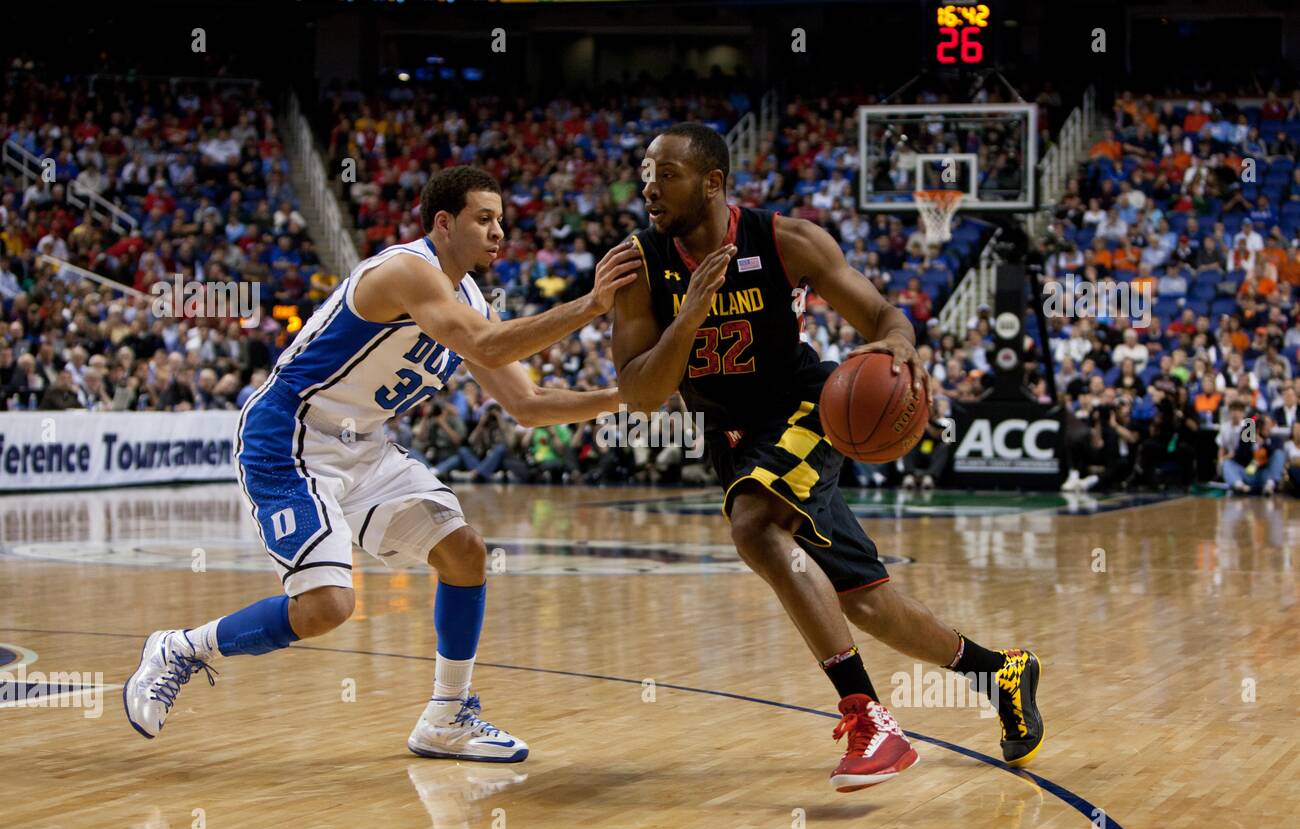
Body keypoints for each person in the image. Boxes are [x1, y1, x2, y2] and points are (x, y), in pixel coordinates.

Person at [123, 166, 643, 762]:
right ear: (444, 223)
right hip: (289, 436)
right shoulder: (403, 271)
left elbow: (527, 405)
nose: (500, 232)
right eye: (485, 219)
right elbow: (486, 346)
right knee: (327, 608)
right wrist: (592, 304)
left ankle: (449, 717)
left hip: (364, 446)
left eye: (502, 220)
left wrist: (625, 397)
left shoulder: (469, 298)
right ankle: (182, 648)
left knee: (464, 552)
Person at [612, 123, 1043, 792]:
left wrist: (900, 346)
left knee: (754, 525)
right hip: (730, 438)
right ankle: (998, 672)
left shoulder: (786, 240)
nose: (649, 185)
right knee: (866, 602)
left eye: (665, 173)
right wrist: (689, 314)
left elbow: (882, 316)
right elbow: (639, 392)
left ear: (713, 182)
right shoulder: (640, 264)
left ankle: (870, 719)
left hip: (806, 407)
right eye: (646, 172)